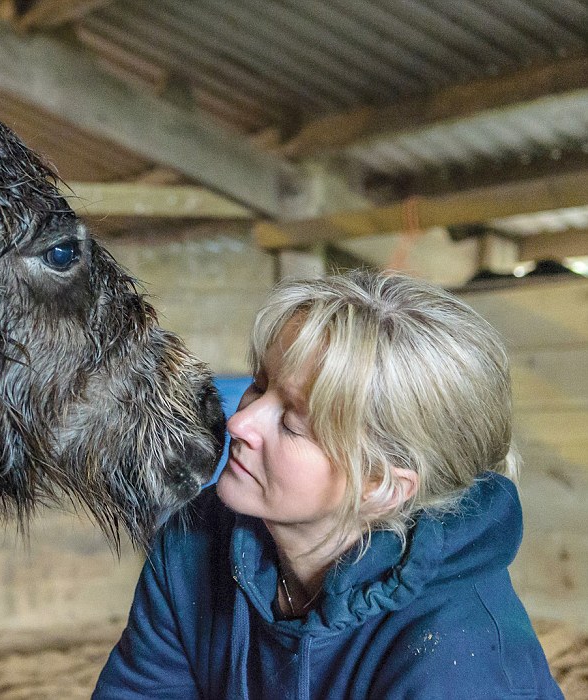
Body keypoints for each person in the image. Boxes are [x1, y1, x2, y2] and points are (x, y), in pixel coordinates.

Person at [93, 270, 562, 699]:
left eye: (293, 424)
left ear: (380, 487)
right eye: (258, 386)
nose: (241, 422)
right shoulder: (192, 543)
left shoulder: (459, 657)